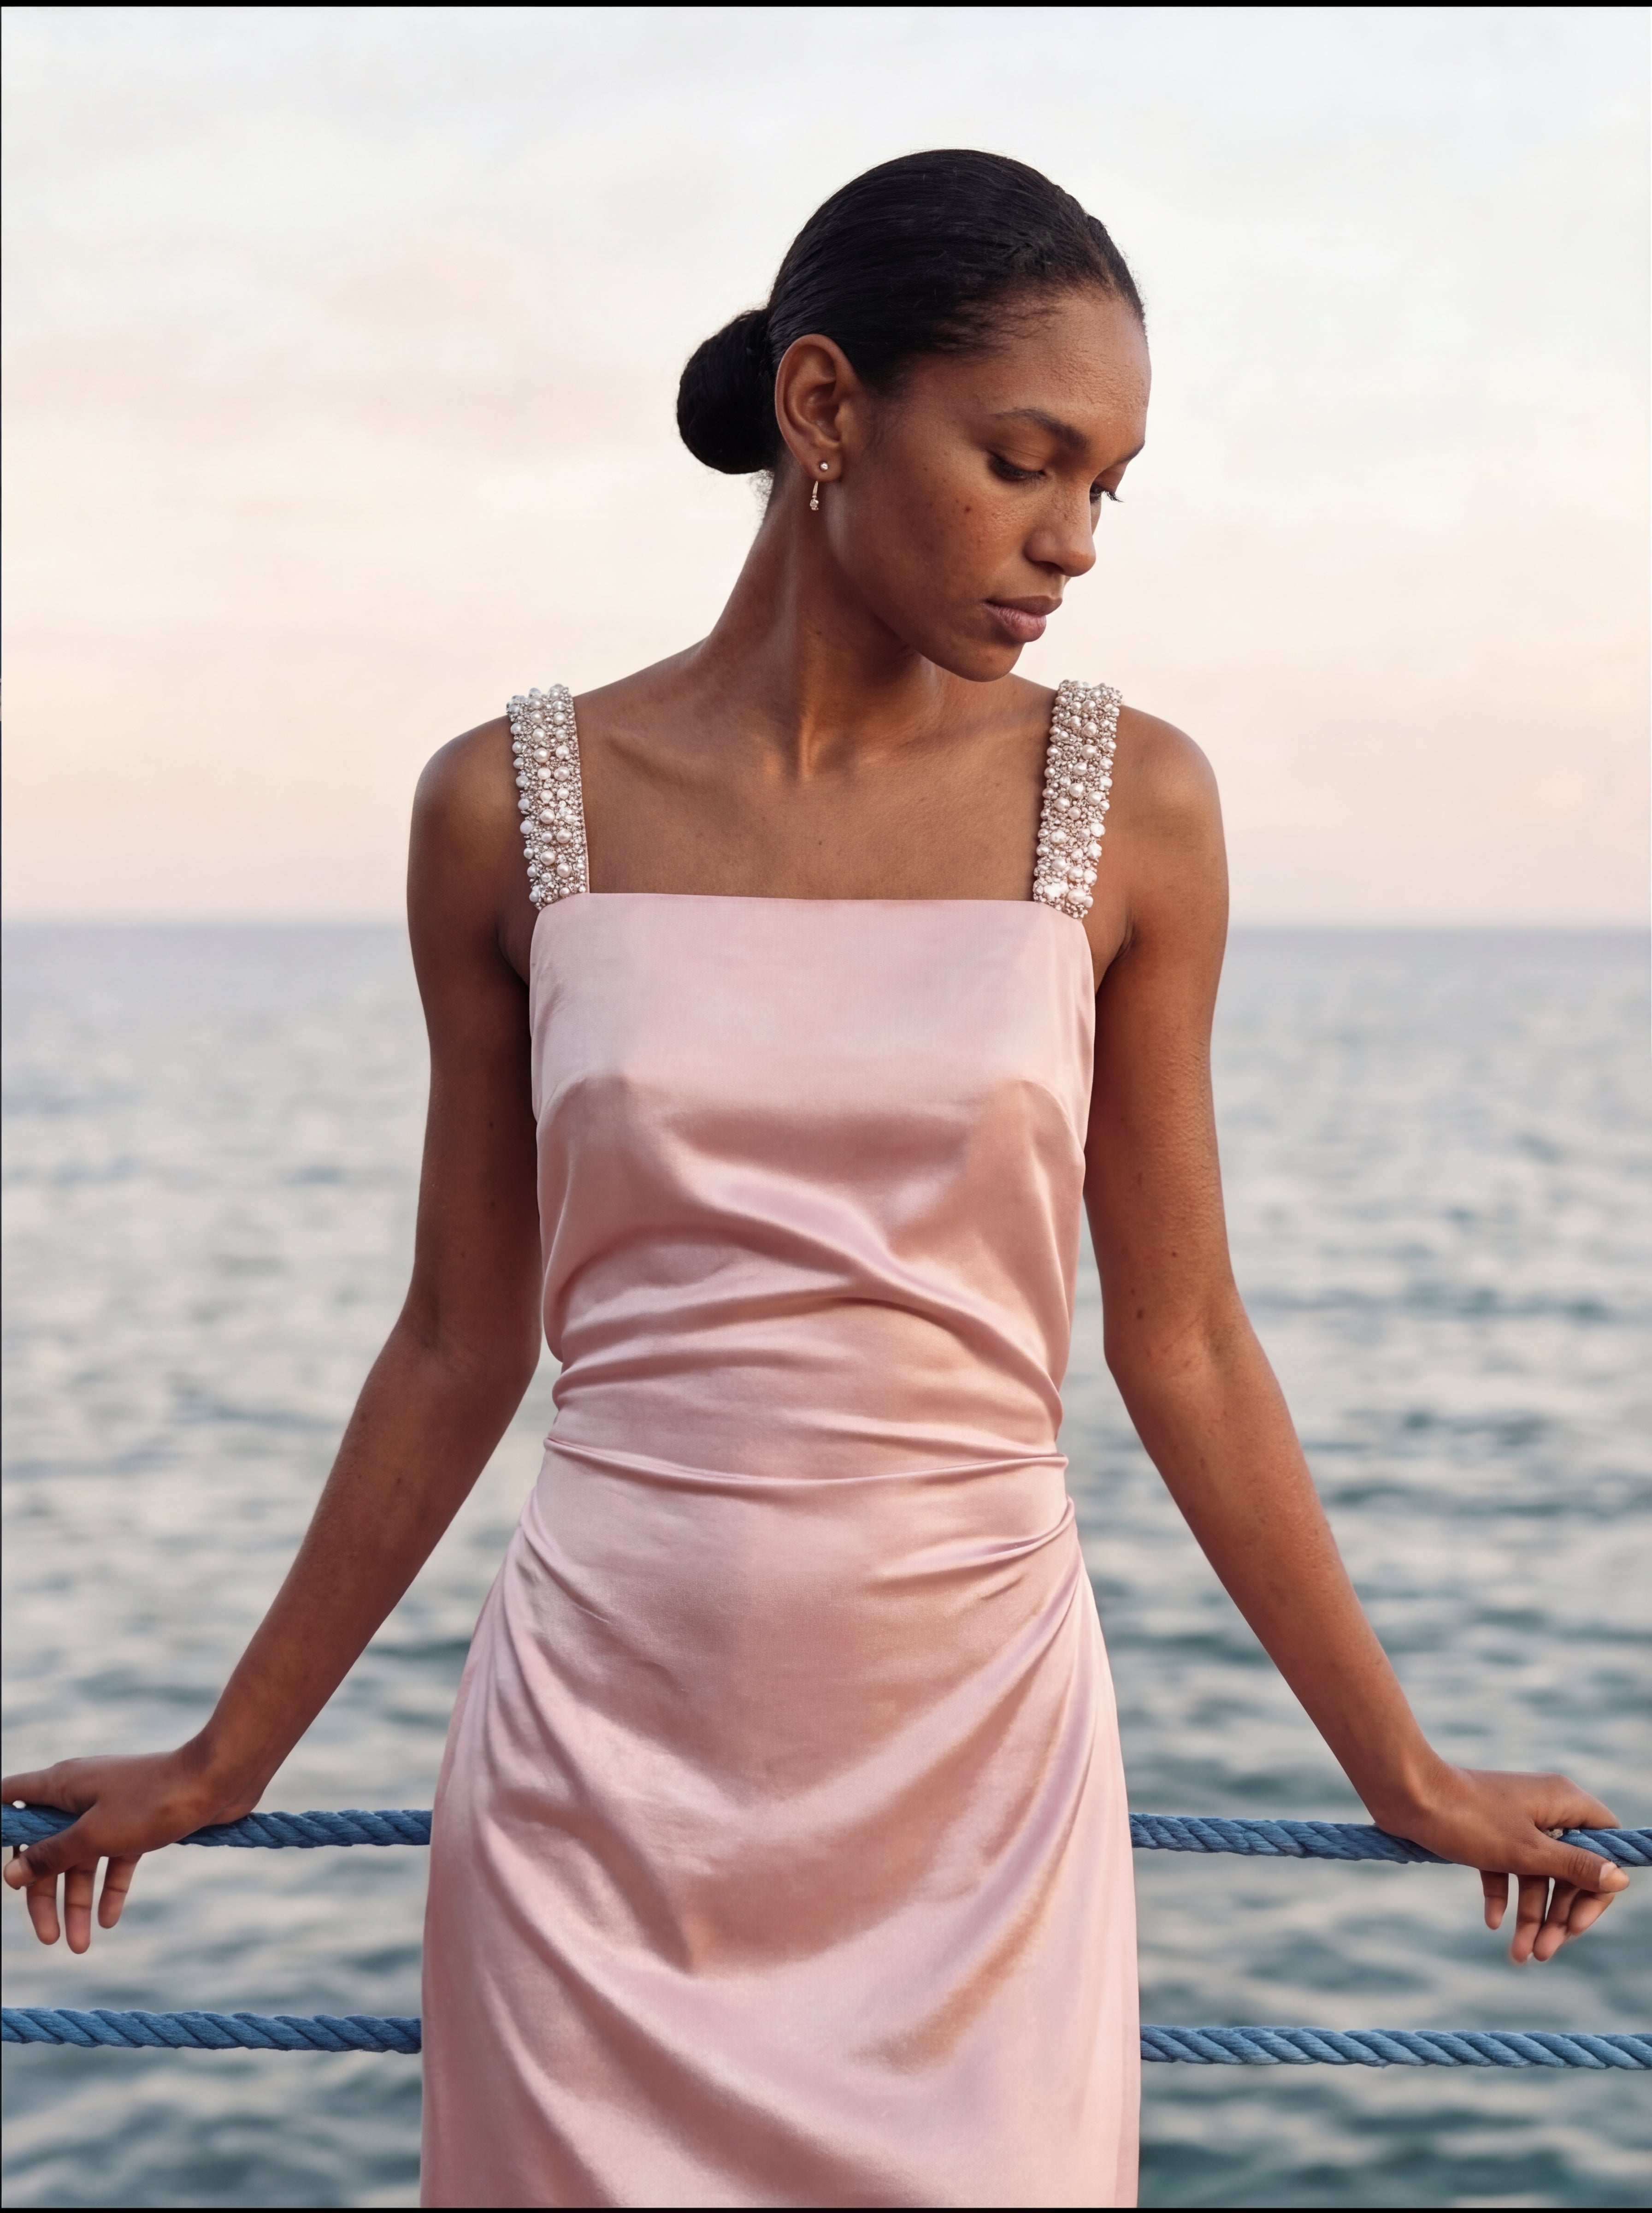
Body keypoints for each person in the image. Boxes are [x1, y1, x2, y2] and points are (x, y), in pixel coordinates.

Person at [4, 151, 1627, 2210]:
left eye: (1106, 486)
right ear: (826, 410)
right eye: (1025, 459)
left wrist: (1399, 1774)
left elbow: (1188, 1341)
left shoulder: (1133, 806)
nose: (1072, 541)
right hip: (600, 1779)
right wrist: (228, 1759)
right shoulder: (505, 811)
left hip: (973, 1786)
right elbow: (453, 1338)